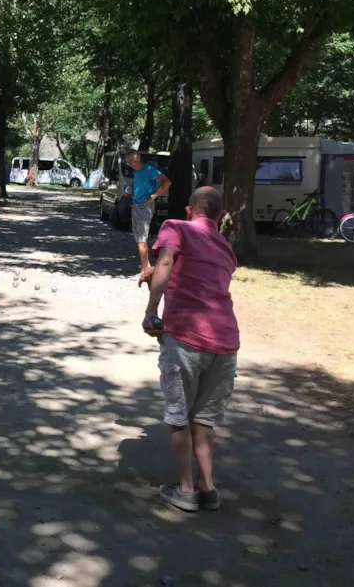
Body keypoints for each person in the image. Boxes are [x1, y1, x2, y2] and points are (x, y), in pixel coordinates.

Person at [142, 186, 239, 513]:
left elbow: (167, 261)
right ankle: (208, 488)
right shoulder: (225, 248)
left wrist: (151, 311)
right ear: (221, 216)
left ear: (188, 211)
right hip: (226, 342)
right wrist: (154, 274)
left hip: (187, 337)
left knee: (179, 416)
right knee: (205, 419)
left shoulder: (176, 227)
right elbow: (199, 278)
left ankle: (185, 489)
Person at [125, 149, 172, 285]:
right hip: (136, 206)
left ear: (138, 157)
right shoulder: (137, 171)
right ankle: (147, 267)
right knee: (140, 239)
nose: (130, 164)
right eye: (128, 162)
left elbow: (166, 182)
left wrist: (154, 196)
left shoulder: (149, 170)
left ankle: (144, 271)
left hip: (143, 207)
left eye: (131, 161)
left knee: (141, 240)